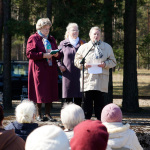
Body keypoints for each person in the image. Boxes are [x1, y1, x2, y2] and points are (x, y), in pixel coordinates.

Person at [74, 26, 116, 120]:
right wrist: (84, 65)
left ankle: (100, 124)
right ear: (90, 35)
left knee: (99, 105)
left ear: (100, 35)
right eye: (94, 34)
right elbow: (76, 61)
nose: (96, 36)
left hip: (101, 80)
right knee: (86, 105)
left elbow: (113, 62)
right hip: (88, 80)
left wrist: (105, 64)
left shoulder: (107, 47)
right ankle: (86, 124)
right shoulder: (84, 47)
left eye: (98, 34)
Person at [26, 18, 60, 122]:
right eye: (45, 28)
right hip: (38, 69)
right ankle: (38, 114)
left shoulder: (51, 38)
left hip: (50, 69)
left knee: (50, 90)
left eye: (48, 28)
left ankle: (48, 114)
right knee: (39, 91)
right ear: (39, 28)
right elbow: (29, 54)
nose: (47, 31)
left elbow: (57, 52)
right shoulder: (34, 38)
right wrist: (43, 55)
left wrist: (57, 54)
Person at [57, 23, 85, 106]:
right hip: (67, 75)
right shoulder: (63, 44)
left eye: (77, 30)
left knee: (78, 99)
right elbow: (57, 57)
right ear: (68, 32)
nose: (75, 32)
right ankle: (67, 117)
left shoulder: (83, 43)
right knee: (67, 100)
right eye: (73, 30)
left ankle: (78, 118)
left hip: (80, 75)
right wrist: (59, 65)